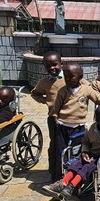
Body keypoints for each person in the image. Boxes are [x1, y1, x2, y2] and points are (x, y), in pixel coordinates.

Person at [43, 105, 100, 199]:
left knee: (86, 167)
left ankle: (71, 186)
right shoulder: (90, 128)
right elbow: (85, 142)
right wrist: (84, 152)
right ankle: (62, 183)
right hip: (90, 154)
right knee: (75, 164)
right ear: (98, 121)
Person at [51, 63, 100, 180]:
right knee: (61, 153)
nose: (68, 79)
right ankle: (59, 178)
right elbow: (56, 108)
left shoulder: (86, 90)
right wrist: (55, 117)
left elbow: (99, 100)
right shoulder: (62, 91)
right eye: (66, 77)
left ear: (80, 76)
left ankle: (74, 179)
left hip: (79, 128)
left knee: (77, 153)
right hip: (63, 126)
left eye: (71, 76)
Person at [30, 51, 65, 179]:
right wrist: (46, 101)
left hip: (70, 118)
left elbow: (85, 88)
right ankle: (54, 172)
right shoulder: (44, 82)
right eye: (48, 65)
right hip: (53, 118)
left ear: (61, 64)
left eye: (55, 64)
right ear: (44, 66)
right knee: (55, 145)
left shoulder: (70, 77)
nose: (52, 68)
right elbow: (35, 94)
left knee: (69, 144)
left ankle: (69, 170)